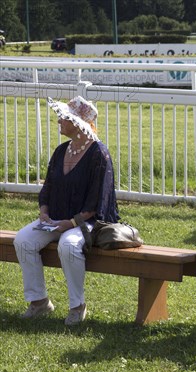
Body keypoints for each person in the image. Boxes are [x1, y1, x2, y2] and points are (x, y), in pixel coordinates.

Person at [13, 96, 119, 325]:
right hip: (56, 218)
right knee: (22, 239)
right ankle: (39, 302)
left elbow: (97, 201)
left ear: (78, 123)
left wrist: (71, 223)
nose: (59, 121)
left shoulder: (99, 154)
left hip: (86, 222)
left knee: (68, 245)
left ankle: (77, 305)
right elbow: (49, 186)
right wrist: (44, 210)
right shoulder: (61, 150)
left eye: (64, 118)